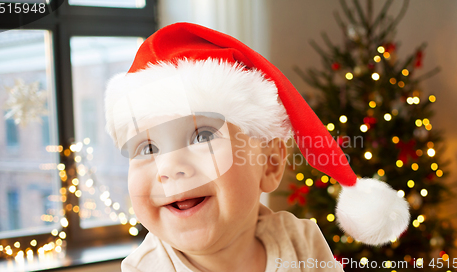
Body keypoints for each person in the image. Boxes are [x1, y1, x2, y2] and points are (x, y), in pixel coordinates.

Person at [104, 22, 410, 272]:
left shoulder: (303, 243)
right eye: (147, 148)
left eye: (202, 137)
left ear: (271, 163)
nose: (169, 167)